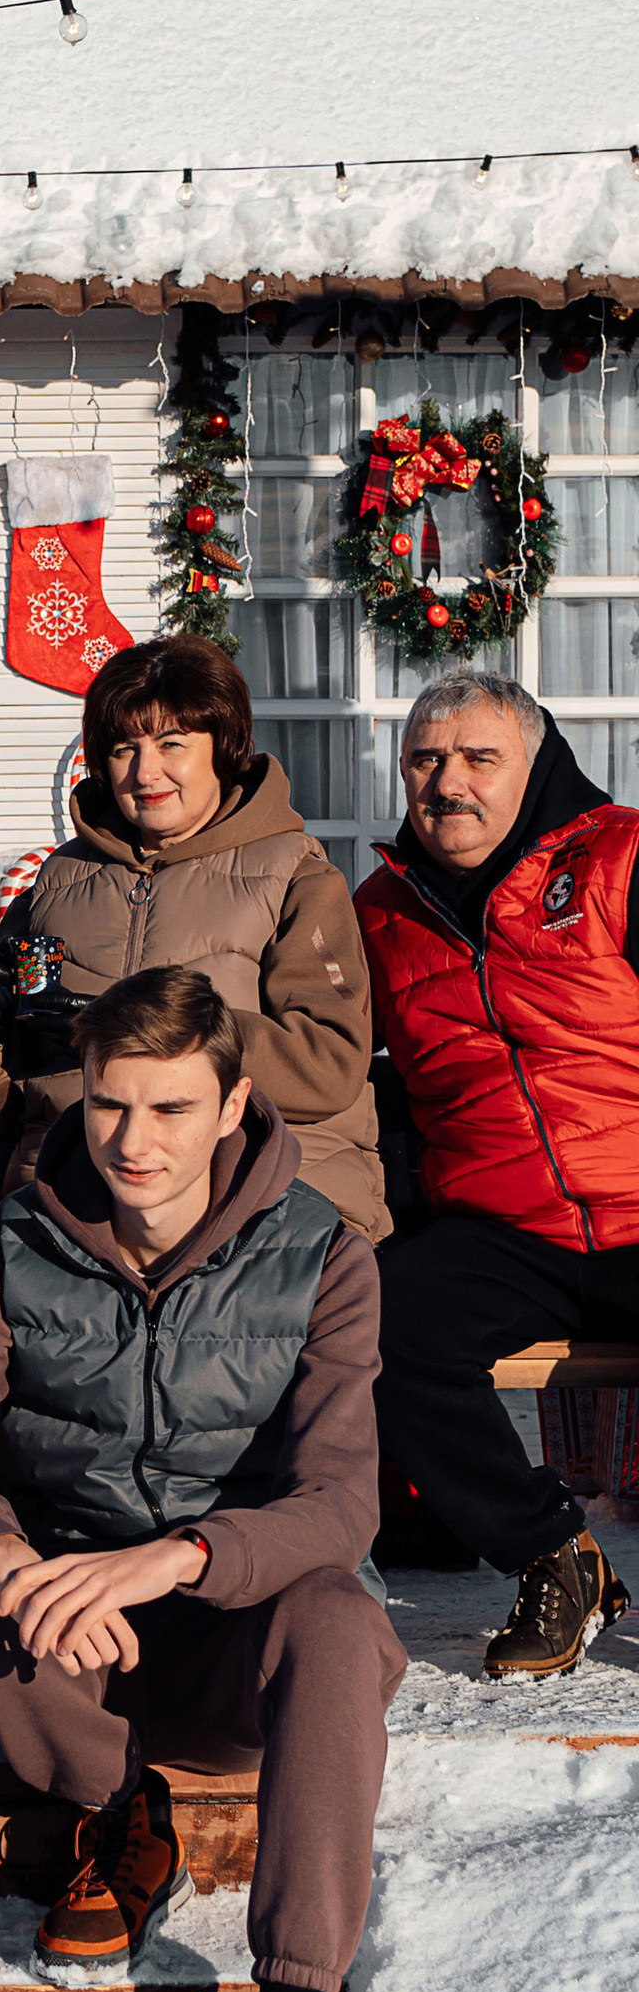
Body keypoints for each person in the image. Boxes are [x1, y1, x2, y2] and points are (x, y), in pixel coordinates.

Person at [0, 968, 402, 1992]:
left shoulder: (323, 1252)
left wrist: (176, 1558)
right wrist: (9, 1553)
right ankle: (121, 1811)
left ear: (232, 1105)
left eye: (170, 1109)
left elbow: (339, 1503)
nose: (134, 1142)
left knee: (339, 1614)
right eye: (111, 1106)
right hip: (71, 1636)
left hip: (230, 1633)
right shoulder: (10, 1240)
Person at [358, 669, 637, 1678]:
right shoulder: (381, 913)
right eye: (425, 760)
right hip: (504, 1224)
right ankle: (553, 1557)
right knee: (376, 1324)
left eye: (479, 758)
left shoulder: (616, 856)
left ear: (536, 763)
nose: (447, 782)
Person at [0, 635, 388, 1240]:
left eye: (171, 744)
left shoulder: (296, 874)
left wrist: (151, 1025)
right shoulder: (56, 884)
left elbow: (329, 1065)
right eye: (124, 749)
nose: (145, 772)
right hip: (77, 1195)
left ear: (223, 748)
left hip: (257, 1191)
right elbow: (13, 1106)